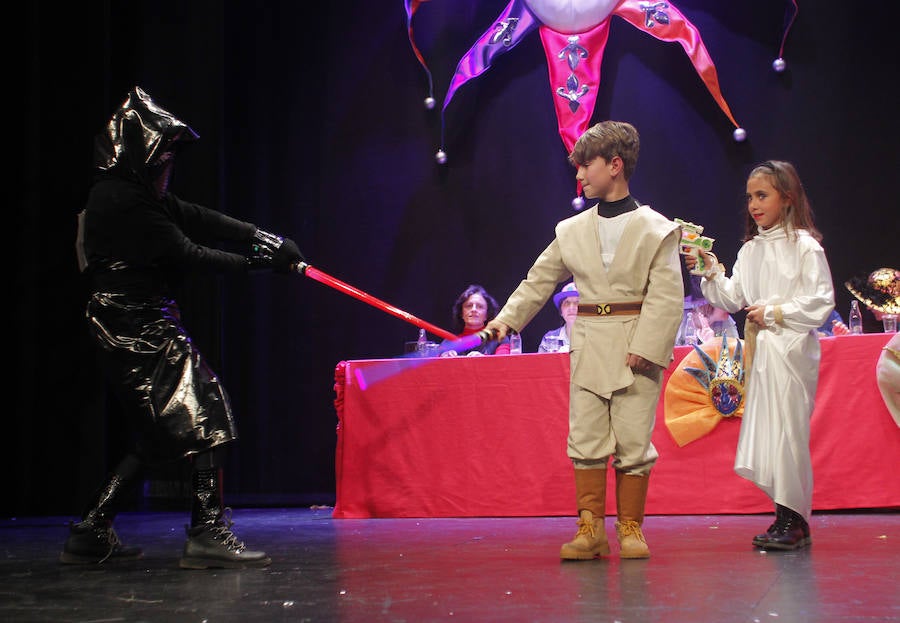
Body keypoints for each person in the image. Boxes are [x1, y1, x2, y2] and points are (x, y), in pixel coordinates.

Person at [63, 87, 303, 569]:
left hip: (137, 317)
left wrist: (263, 238)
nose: (168, 160)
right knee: (208, 411)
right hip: (132, 322)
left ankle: (91, 530)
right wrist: (258, 262)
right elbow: (187, 253)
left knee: (157, 435)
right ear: (138, 151)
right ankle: (207, 533)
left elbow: (196, 216)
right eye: (162, 151)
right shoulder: (119, 197)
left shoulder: (134, 191)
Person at [484, 121, 684, 560]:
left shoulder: (656, 228)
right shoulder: (571, 230)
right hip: (590, 342)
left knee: (633, 439)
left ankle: (630, 528)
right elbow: (537, 281)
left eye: (585, 166)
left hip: (635, 346)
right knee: (587, 437)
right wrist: (504, 322)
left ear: (615, 165)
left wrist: (647, 347)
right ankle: (590, 529)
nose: (578, 175)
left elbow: (668, 297)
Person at [686, 160, 835, 551]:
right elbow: (733, 297)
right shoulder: (752, 249)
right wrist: (711, 272)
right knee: (771, 434)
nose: (753, 204)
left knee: (789, 433)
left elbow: (820, 302)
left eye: (762, 195)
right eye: (750, 196)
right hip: (763, 352)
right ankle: (784, 517)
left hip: (790, 351)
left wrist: (775, 313)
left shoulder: (804, 246)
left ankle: (796, 519)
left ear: (787, 198)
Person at [439, 284, 510, 356]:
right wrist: (443, 360)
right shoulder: (449, 342)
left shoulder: (499, 338)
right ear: (461, 313)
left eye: (480, 306)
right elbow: (432, 364)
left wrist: (484, 360)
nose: (474, 309)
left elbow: (504, 363)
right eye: (469, 306)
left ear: (487, 315)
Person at [675, 276, 739, 345]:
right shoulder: (682, 318)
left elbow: (735, 351)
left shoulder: (725, 323)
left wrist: (711, 343)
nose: (728, 308)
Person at [538, 282, 579, 353]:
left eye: (577, 303)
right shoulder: (549, 339)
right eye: (567, 303)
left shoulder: (595, 336)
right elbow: (541, 364)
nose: (571, 308)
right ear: (561, 312)